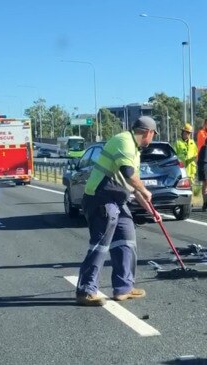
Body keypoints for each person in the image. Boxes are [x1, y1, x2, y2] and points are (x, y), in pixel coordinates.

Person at [76, 116, 162, 306]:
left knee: (127, 238)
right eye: (153, 135)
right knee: (101, 245)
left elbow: (133, 186)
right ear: (148, 132)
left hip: (118, 200)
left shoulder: (135, 150)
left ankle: (123, 287)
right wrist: (146, 191)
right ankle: (86, 291)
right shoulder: (124, 141)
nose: (152, 139)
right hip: (100, 197)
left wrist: (150, 209)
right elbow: (129, 175)